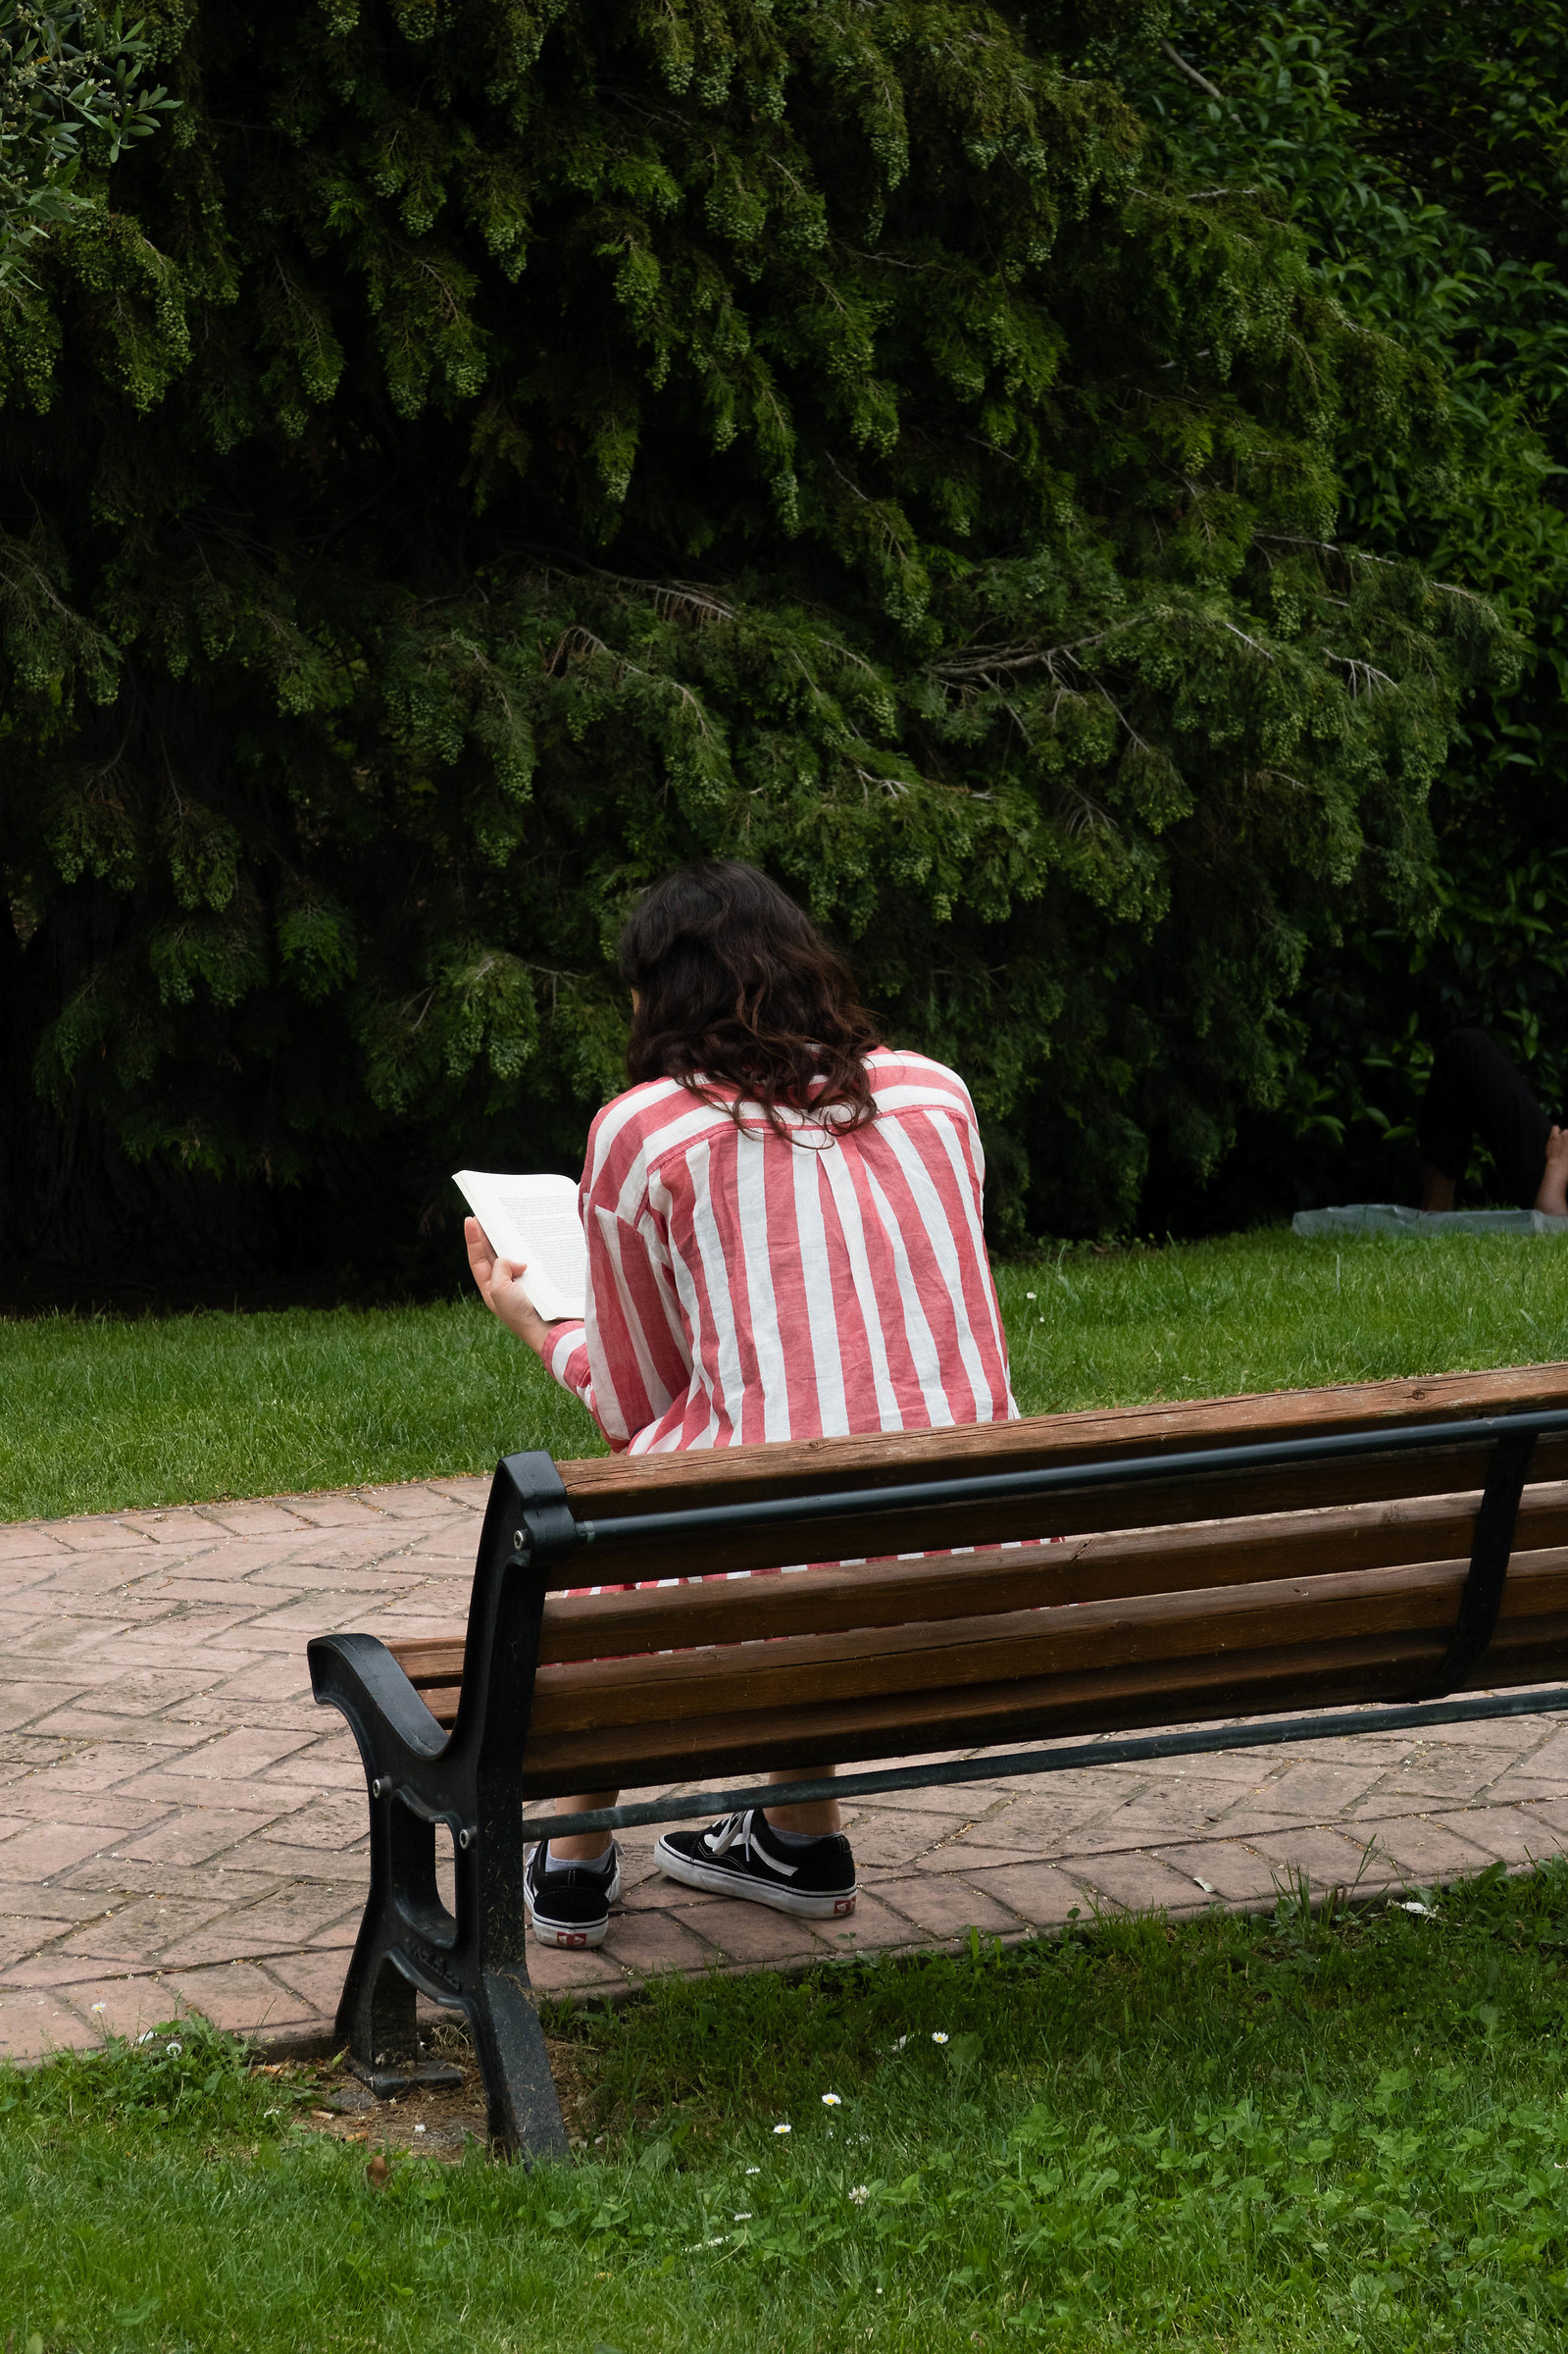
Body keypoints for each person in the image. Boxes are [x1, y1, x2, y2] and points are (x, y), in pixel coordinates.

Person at [463, 859, 1017, 1948]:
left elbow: (633, 1403)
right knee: (819, 1464)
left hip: (773, 1568)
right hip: (977, 1554)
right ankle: (797, 1834)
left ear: (658, 997)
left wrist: (538, 1325)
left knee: (649, 1497)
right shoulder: (937, 1095)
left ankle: (573, 1855)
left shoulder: (645, 1131)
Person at [1418, 1026, 1568, 1216]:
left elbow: (1554, 1234)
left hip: (1558, 1182)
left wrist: (1558, 1167)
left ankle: (1432, 1221)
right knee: (1463, 1049)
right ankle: (1433, 1215)